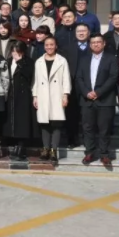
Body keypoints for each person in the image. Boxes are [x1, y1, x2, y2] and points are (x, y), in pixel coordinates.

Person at [76, 33, 119, 167]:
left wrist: (98, 92)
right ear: (90, 45)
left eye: (98, 42)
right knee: (87, 128)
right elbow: (79, 78)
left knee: (104, 129)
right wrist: (86, 92)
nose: (96, 44)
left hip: (105, 100)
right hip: (87, 100)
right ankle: (89, 152)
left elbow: (113, 77)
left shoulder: (111, 58)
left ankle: (104, 154)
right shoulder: (84, 59)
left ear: (104, 43)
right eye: (93, 42)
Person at [32, 36, 71, 165]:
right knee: (44, 124)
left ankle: (54, 150)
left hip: (56, 95)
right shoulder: (39, 61)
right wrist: (35, 96)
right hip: (42, 95)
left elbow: (66, 79)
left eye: (51, 44)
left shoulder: (62, 61)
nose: (49, 47)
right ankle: (45, 149)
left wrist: (65, 95)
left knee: (56, 123)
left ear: (56, 46)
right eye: (47, 45)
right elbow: (36, 80)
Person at [4, 41, 36, 160]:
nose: (15, 54)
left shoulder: (29, 62)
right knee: (12, 121)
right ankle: (16, 146)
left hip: (23, 95)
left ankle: (21, 148)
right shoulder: (8, 62)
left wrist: (20, 62)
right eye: (13, 51)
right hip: (11, 94)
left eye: (18, 51)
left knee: (23, 122)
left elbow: (29, 75)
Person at [62, 22, 91, 148]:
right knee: (72, 114)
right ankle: (72, 139)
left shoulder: (94, 46)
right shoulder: (68, 48)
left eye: (83, 31)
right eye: (78, 31)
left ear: (88, 33)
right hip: (72, 85)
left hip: (89, 85)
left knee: (88, 115)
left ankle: (88, 140)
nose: (81, 33)